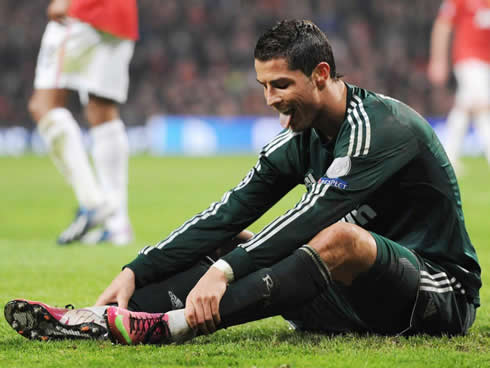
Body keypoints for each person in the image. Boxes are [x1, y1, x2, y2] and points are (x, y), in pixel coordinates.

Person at [5, 19, 481, 344]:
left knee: (338, 238)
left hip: (436, 296)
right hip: (350, 298)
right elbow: (225, 213)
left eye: (281, 85)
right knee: (234, 235)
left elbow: (312, 216)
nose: (270, 100)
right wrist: (137, 269)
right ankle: (104, 320)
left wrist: (225, 270)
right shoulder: (299, 134)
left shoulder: (379, 128)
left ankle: (172, 328)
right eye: (263, 87)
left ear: (321, 75)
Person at [28, 0, 138, 245]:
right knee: (102, 109)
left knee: (44, 105)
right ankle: (117, 226)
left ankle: (93, 203)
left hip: (84, 10)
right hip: (121, 14)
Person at [427, 0, 490, 171]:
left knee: (465, 106)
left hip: (486, 62)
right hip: (468, 59)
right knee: (483, 104)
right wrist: (438, 59)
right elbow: (442, 26)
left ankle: (447, 157)